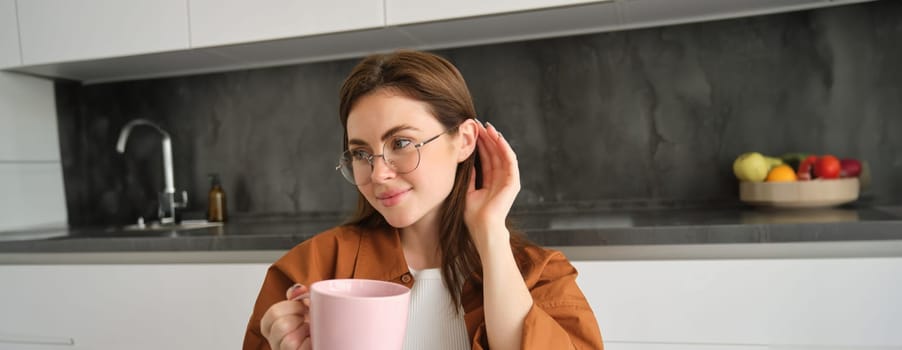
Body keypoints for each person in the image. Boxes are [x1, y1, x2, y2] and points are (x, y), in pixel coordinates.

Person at [243, 50, 603, 350]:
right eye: (360, 153)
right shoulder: (307, 272)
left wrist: (490, 233)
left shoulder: (541, 277)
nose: (378, 174)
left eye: (400, 143)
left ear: (463, 141)